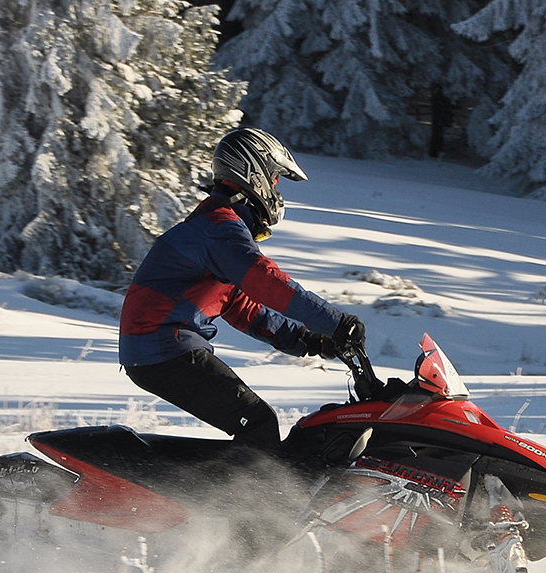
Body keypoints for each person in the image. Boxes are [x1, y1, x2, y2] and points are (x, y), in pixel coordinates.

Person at [118, 127, 365, 447]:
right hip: (163, 346)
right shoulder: (219, 227)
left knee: (254, 423)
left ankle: (205, 491)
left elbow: (242, 307)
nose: (277, 190)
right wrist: (336, 322)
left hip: (159, 348)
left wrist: (308, 340)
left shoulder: (216, 227)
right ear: (254, 172)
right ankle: (222, 498)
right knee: (258, 424)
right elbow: (266, 282)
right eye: (275, 180)